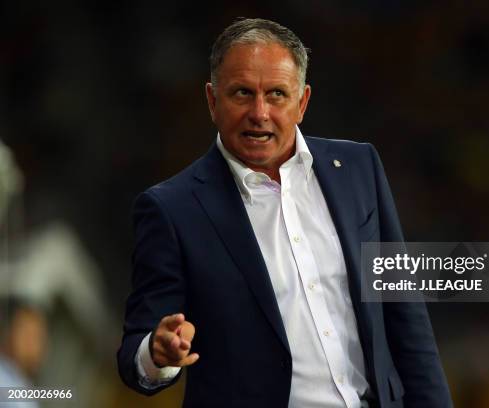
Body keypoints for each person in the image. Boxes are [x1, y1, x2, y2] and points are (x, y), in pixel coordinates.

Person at [117, 18, 452, 408]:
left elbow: (405, 317)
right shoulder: (171, 209)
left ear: (302, 102)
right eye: (242, 93)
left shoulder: (359, 168)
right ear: (212, 100)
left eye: (276, 94)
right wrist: (158, 356)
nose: (259, 112)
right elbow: (135, 355)